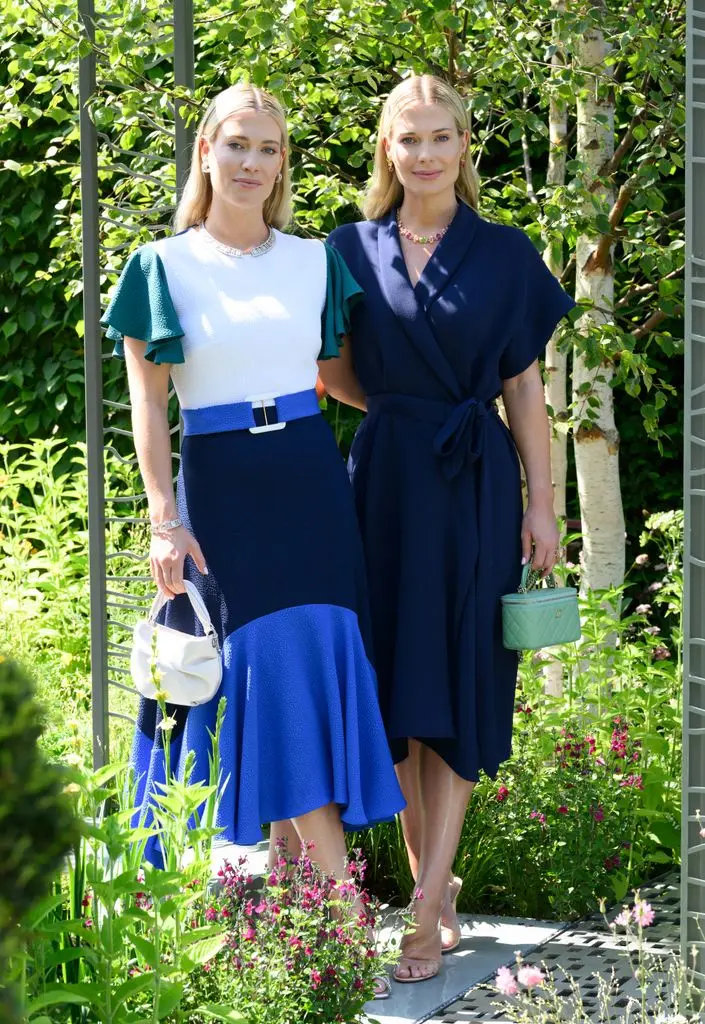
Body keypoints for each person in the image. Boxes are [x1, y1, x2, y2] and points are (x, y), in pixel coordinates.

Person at [101, 85, 404, 995]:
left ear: (281, 165)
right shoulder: (159, 265)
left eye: (268, 150)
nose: (250, 164)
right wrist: (164, 514)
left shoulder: (315, 261)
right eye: (236, 144)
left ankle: (293, 920)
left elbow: (343, 378)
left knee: (312, 667)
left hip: (312, 478)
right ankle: (341, 925)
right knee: (267, 676)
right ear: (204, 150)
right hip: (223, 488)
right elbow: (148, 406)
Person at [324, 74, 576, 984]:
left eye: (440, 137)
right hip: (384, 485)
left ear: (464, 145)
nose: (424, 153)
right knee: (396, 689)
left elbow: (523, 393)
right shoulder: (346, 249)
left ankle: (427, 905)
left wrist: (543, 506)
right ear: (385, 148)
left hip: (474, 486)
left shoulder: (506, 255)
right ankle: (438, 883)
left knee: (462, 682)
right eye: (407, 138)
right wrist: (400, 409)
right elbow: (332, 372)